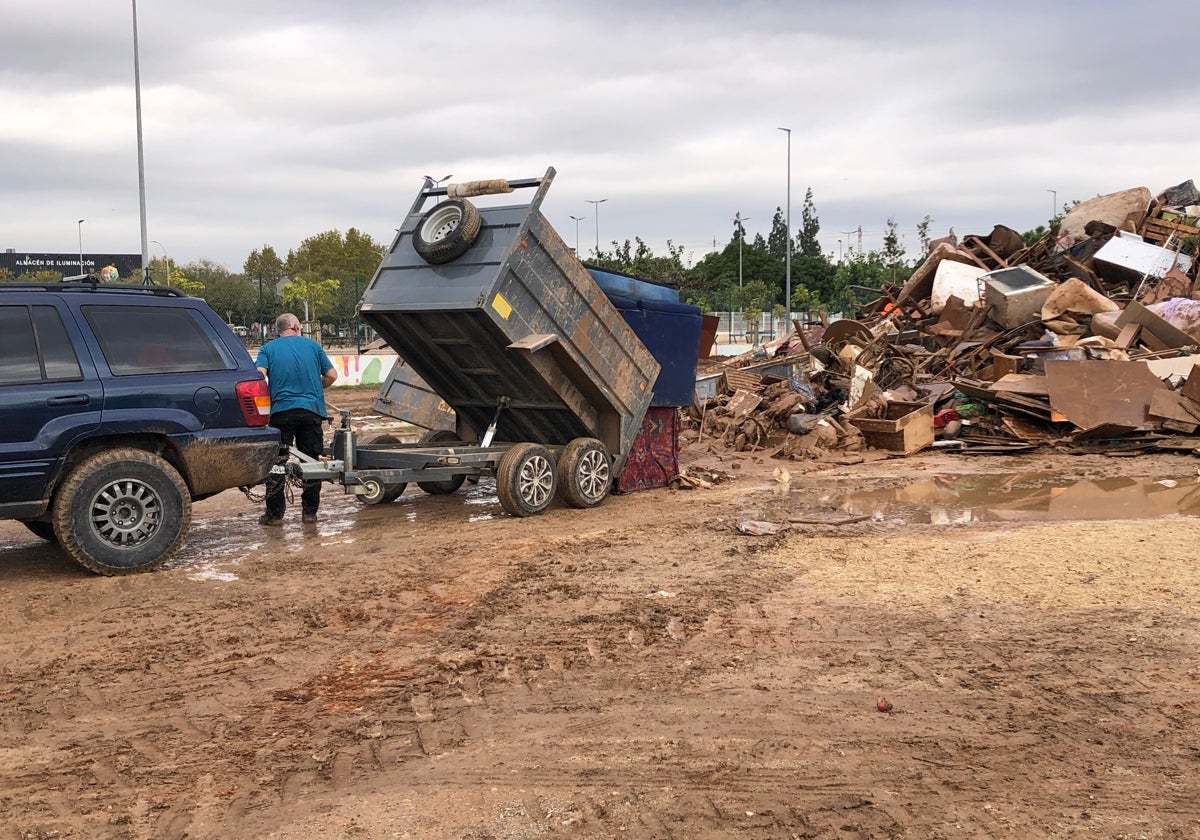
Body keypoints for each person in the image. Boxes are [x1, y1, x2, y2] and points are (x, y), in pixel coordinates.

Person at [255, 313, 337, 525]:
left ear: (278, 330)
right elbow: (332, 375)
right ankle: (309, 513)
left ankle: (274, 515)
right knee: (311, 462)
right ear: (296, 327)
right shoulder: (313, 347)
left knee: (277, 464)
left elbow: (259, 374)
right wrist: (317, 388)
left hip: (281, 414)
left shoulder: (267, 349)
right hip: (311, 412)